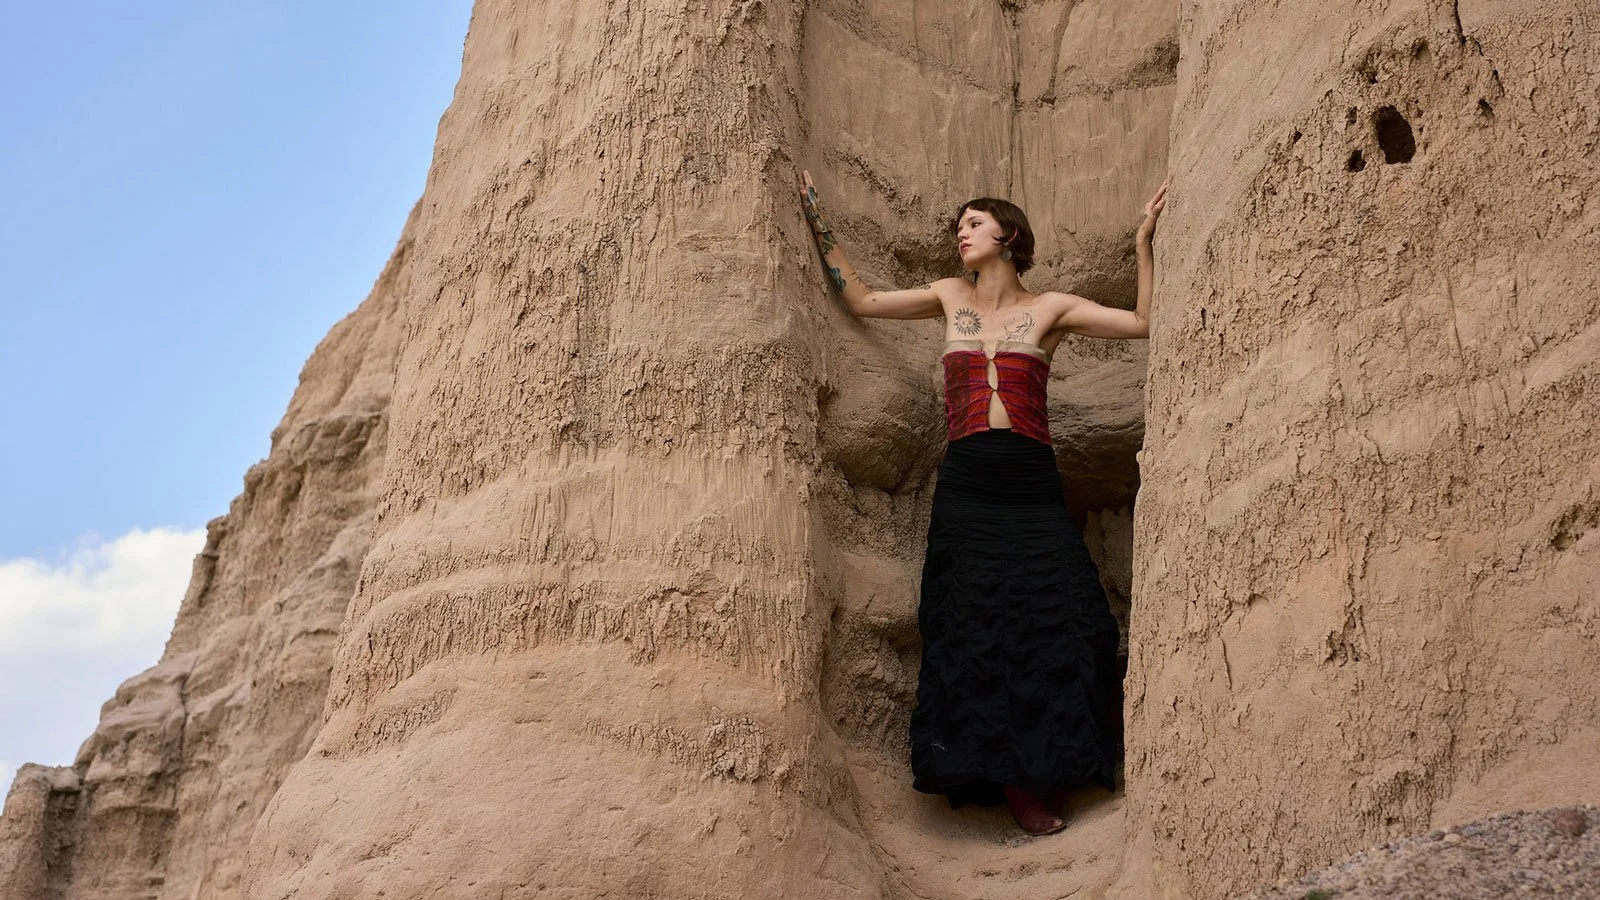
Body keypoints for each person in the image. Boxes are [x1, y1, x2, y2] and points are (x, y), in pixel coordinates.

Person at [798, 169, 1168, 836]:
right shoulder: (947, 295)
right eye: (959, 226)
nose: (960, 233)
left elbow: (1143, 323)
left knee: (1068, 614)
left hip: (1031, 482)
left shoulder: (1051, 308)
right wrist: (817, 218)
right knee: (974, 625)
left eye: (973, 223)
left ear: (1009, 235)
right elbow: (862, 300)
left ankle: (1064, 763)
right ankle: (1012, 783)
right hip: (968, 482)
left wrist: (1144, 241)